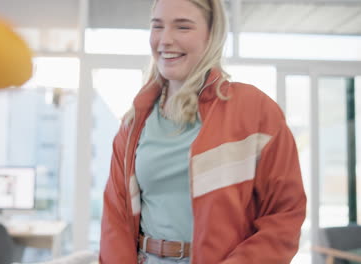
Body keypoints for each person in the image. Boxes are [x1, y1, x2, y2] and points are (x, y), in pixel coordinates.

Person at [100, 0, 307, 263]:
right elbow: (114, 222)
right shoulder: (133, 124)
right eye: (157, 26)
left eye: (183, 27)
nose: (165, 39)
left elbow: (285, 214)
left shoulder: (257, 111)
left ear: (212, 34)